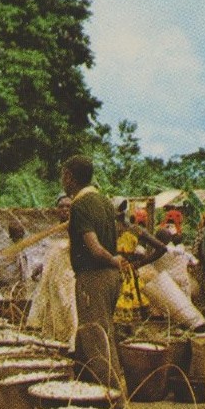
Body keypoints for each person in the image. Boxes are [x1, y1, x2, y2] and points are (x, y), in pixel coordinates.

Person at [63, 155, 125, 389]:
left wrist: (112, 260)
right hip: (110, 279)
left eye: (63, 176)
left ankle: (112, 395)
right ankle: (82, 386)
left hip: (94, 277)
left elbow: (96, 248)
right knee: (89, 334)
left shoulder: (80, 205)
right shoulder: (104, 201)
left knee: (97, 338)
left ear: (69, 177)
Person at [26, 194, 77, 349]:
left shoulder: (77, 229)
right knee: (52, 311)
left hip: (69, 276)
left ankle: (73, 344)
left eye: (68, 206)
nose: (64, 210)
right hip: (52, 278)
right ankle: (56, 345)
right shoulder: (53, 230)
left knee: (69, 308)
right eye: (61, 206)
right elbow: (51, 254)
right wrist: (40, 268)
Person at [114, 206, 166, 327]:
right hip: (123, 273)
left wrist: (140, 263)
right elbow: (161, 248)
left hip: (121, 274)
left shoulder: (111, 230)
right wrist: (139, 264)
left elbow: (162, 248)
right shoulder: (135, 230)